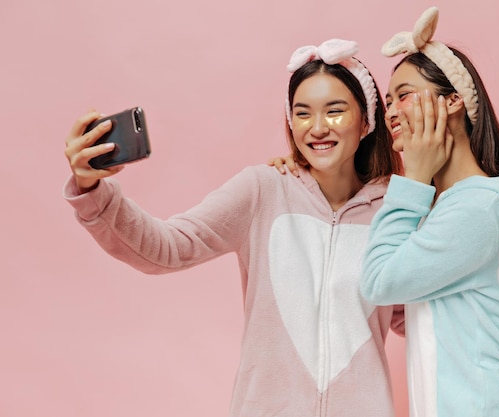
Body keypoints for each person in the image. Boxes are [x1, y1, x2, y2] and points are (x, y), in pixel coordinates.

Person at [63, 38, 404, 416]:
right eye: (303, 113)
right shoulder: (263, 190)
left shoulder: (393, 214)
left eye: (335, 111)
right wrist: (93, 190)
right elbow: (166, 248)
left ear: (366, 120)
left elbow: (421, 312)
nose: (318, 127)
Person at [359, 7, 499, 417]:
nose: (391, 112)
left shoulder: (480, 207)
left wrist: (415, 179)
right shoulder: (453, 206)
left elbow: (379, 283)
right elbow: (412, 308)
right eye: (388, 101)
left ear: (453, 101)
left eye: (404, 95)